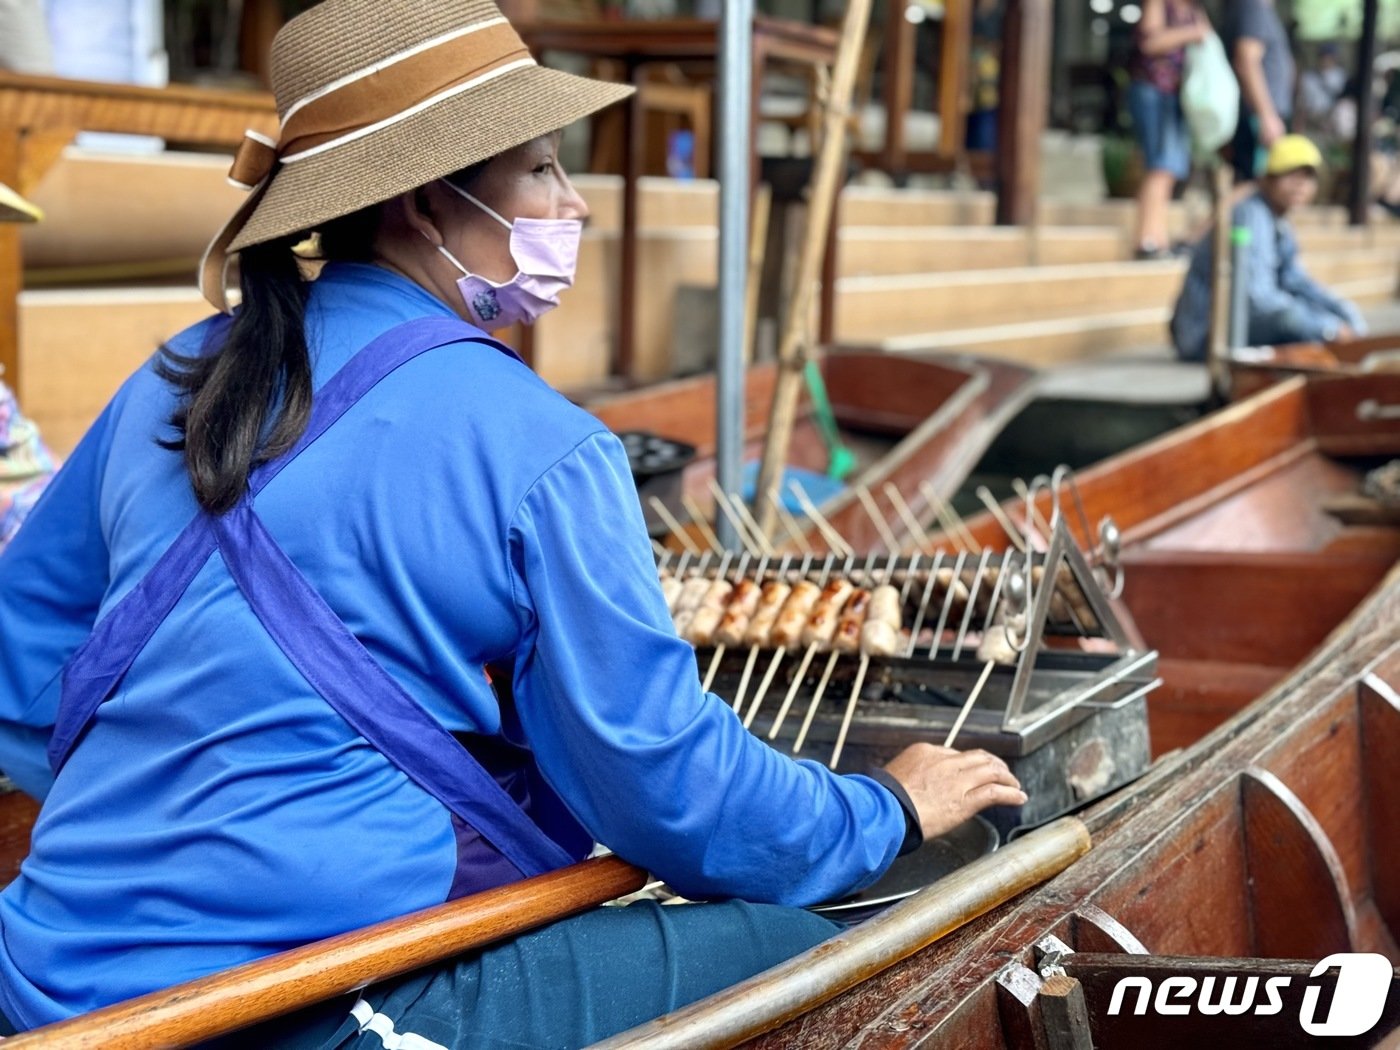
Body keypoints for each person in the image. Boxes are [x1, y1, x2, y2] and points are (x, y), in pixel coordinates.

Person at [0, 1, 1025, 1046]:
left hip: (46, 965)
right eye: (539, 170)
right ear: (422, 201)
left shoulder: (169, 380)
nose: (571, 201)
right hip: (297, 1008)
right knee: (853, 940)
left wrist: (178, 808)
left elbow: (25, 666)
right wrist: (880, 808)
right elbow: (661, 787)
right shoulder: (542, 444)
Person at [1170, 135, 1367, 361]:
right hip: (1204, 335)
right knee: (1299, 323)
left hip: (1238, 324)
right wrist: (1327, 328)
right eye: (1291, 174)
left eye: (1307, 177)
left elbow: (1295, 280)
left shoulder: (1278, 220)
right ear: (1268, 179)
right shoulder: (1251, 214)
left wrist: (1341, 312)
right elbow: (1259, 298)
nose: (1300, 184)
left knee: (1322, 320)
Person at [1126, 0, 1210, 259]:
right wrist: (1191, 34)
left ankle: (1158, 239)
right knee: (1160, 167)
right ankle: (1147, 240)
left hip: (1177, 96)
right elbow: (1149, 43)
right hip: (1154, 91)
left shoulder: (1195, 9)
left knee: (1169, 169)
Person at [1223, 0, 1295, 185]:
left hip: (1259, 115)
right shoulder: (1252, 7)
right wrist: (1266, 116)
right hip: (1256, 116)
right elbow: (1246, 60)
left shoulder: (1256, 8)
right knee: (1257, 184)